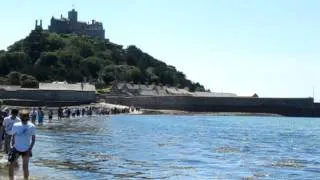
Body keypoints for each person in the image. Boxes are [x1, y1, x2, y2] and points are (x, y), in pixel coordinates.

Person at [8, 109, 36, 180]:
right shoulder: (32, 126)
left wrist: (11, 145)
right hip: (26, 149)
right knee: (25, 166)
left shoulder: (16, 125)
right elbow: (33, 139)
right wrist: (30, 149)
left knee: (11, 165)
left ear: (20, 117)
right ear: (28, 117)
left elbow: (12, 135)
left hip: (18, 148)